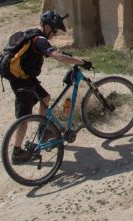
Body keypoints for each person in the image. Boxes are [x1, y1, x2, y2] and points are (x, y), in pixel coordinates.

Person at [7, 9, 92, 163]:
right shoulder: (40, 40)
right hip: (22, 82)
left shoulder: (32, 35)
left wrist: (70, 57)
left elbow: (51, 52)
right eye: (54, 30)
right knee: (24, 118)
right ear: (47, 27)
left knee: (45, 98)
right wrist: (81, 62)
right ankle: (17, 152)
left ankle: (42, 131)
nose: (54, 34)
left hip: (24, 79)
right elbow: (57, 57)